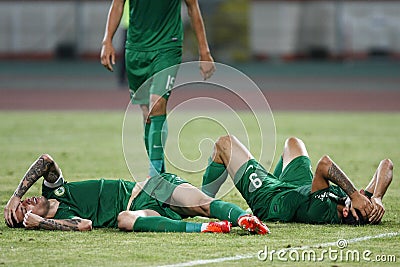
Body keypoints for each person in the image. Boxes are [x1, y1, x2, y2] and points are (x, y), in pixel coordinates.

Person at [3, 154, 269, 234]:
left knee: (202, 204)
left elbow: (46, 161)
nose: (27, 202)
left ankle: (246, 219)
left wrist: (15, 195)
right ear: (28, 221)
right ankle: (206, 229)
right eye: (23, 209)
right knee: (124, 220)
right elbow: (84, 225)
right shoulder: (63, 217)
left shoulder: (53, 190)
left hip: (150, 188)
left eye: (23, 201)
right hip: (142, 210)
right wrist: (44, 223)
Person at [100, 0, 215, 177]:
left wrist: (204, 51)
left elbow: (192, 7)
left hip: (167, 46)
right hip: (136, 48)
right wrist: (107, 40)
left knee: (157, 103)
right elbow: (117, 5)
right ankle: (161, 176)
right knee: (147, 113)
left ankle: (153, 176)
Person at [201, 135, 393, 225]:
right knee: (293, 142)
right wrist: (376, 198)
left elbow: (324, 164)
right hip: (299, 188)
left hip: (271, 200)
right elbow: (387, 164)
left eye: (360, 200)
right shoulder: (360, 207)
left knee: (225, 144)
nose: (361, 196)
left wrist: (353, 194)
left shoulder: (321, 211)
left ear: (345, 213)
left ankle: (202, 202)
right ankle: (274, 180)